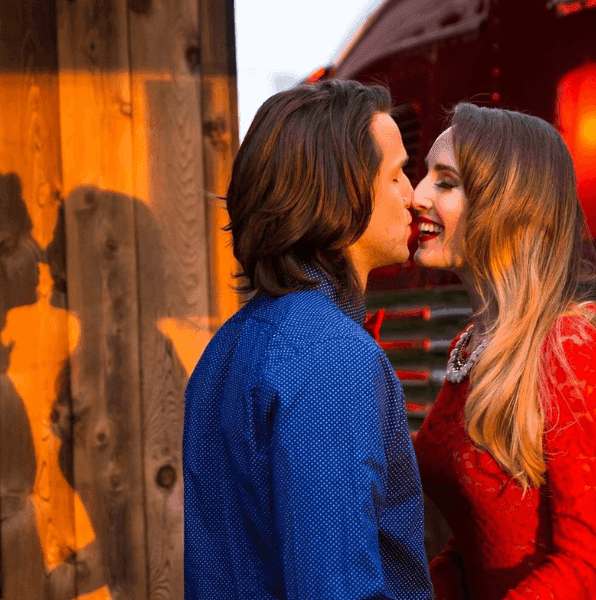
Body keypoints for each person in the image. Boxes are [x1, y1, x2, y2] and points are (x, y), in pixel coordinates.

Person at [183, 80, 433, 600]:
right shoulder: (332, 360)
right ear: (338, 195)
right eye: (395, 176)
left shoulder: (226, 347)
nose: (414, 194)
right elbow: (335, 587)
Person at [411, 103, 596, 600]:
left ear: (508, 204)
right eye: (425, 177)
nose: (417, 195)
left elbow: (581, 562)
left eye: (445, 182)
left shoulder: (570, 348)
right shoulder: (473, 342)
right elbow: (477, 536)